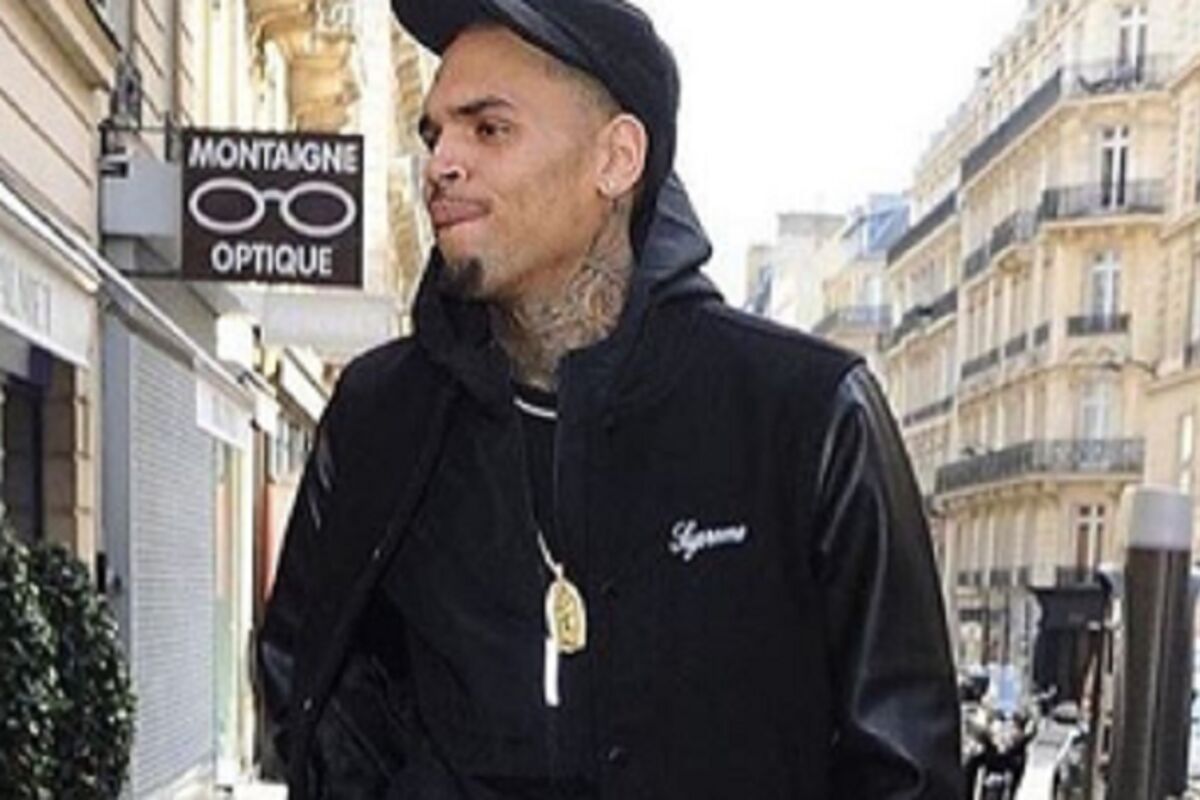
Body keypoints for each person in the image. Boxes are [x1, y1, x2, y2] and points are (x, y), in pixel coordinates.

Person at [258, 0, 964, 797]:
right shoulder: (379, 415)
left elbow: (907, 769)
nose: (441, 163)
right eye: (435, 134)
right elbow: (307, 680)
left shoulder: (808, 414)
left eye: (489, 128)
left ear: (616, 159)